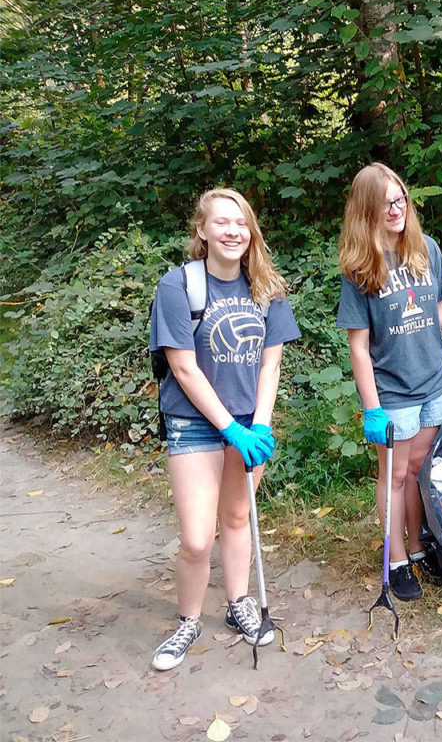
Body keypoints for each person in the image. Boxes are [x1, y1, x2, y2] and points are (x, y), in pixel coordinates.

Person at [336, 162, 442, 602]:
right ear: (365, 210)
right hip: (392, 392)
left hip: (434, 384)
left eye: (400, 199)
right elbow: (359, 347)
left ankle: (418, 548)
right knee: (393, 476)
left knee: (420, 469)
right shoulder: (360, 266)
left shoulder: (425, 248)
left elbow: (440, 310)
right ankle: (395, 562)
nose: (395, 209)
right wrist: (371, 406)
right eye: (384, 203)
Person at [148, 188, 301, 671]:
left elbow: (271, 365)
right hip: (194, 425)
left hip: (247, 426)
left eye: (241, 223)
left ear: (250, 230)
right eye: (221, 223)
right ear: (202, 231)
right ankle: (188, 621)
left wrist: (259, 424)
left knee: (238, 520)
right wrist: (230, 428)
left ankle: (239, 604)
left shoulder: (267, 289)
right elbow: (184, 368)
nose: (233, 231)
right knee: (197, 537)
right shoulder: (178, 286)